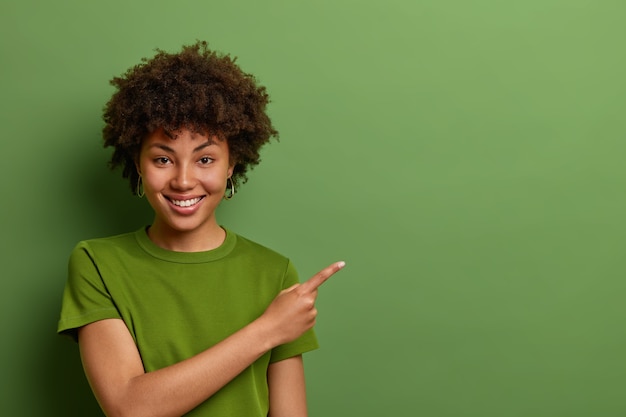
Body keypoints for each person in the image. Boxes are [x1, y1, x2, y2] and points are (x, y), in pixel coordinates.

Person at [57, 41, 344, 417]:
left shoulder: (274, 273)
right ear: (138, 164)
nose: (183, 180)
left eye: (205, 159)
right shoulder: (97, 263)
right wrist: (266, 331)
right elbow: (129, 407)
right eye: (163, 158)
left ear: (231, 165)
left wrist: (276, 327)